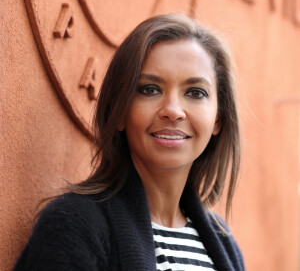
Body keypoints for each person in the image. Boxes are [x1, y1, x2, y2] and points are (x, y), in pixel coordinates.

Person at [14, 14, 245, 271]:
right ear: (120, 111)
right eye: (150, 89)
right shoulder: (74, 225)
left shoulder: (225, 246)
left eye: (195, 93)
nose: (173, 110)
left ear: (218, 120)